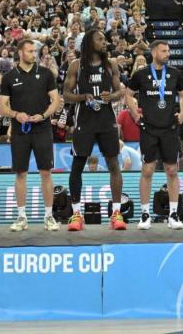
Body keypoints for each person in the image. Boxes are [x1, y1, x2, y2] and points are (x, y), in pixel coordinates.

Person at [62, 29, 126, 231]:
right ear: (90, 42)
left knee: (113, 164)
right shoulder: (76, 65)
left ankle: (116, 213)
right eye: (100, 39)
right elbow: (66, 95)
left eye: (104, 39)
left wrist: (111, 96)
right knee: (78, 165)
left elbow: (119, 92)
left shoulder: (110, 64)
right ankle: (76, 214)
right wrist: (82, 97)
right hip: (85, 120)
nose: (104, 42)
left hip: (106, 119)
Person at [0, 39, 61, 232]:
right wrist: (16, 114)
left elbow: (56, 100)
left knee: (46, 172)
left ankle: (49, 216)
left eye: (35, 51)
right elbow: (2, 107)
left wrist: (43, 115)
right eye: (30, 51)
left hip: (42, 129)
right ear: (20, 53)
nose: (34, 54)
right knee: (20, 173)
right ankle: (21, 217)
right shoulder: (9, 77)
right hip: (20, 131)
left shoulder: (45, 73)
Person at [126, 40, 183, 230]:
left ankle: (173, 214)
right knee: (147, 170)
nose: (167, 54)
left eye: (168, 50)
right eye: (164, 51)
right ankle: (145, 214)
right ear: (154, 53)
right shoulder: (141, 74)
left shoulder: (175, 73)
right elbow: (128, 94)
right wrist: (134, 113)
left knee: (172, 170)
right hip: (149, 128)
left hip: (170, 128)